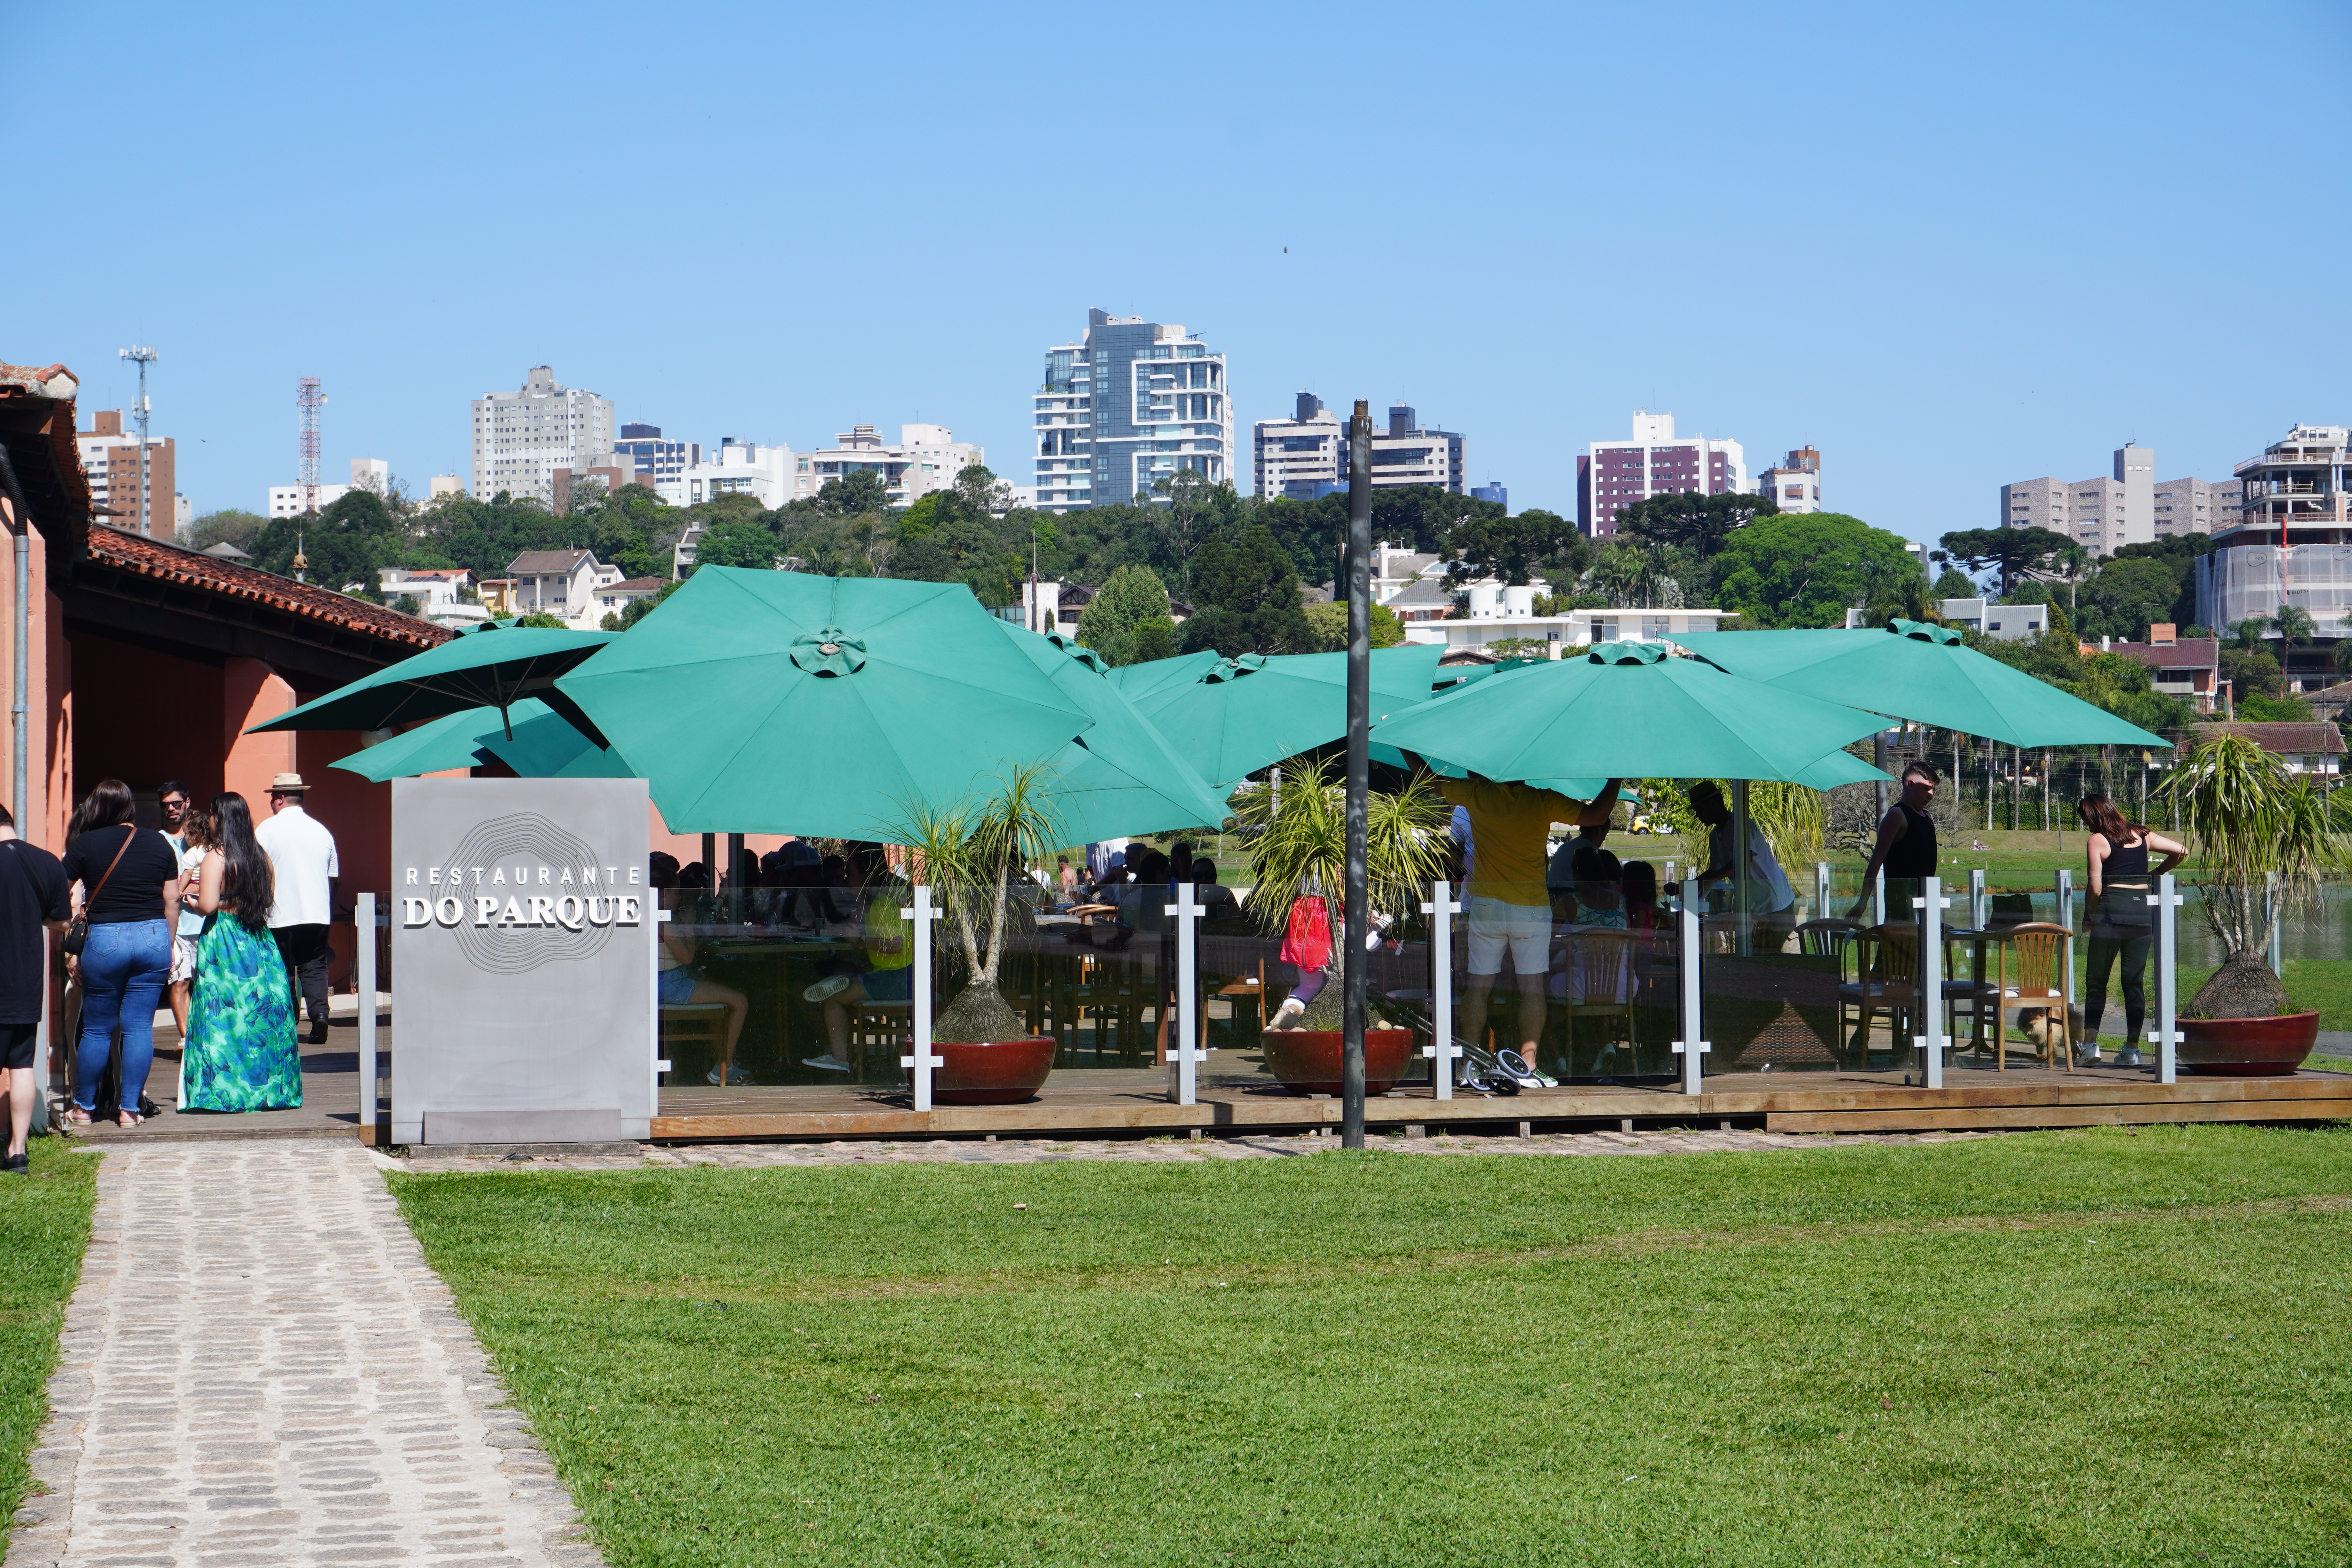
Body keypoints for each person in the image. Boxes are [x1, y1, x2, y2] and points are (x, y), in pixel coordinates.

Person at [1403, 758, 1620, 1064]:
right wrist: (1617, 776)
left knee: (1478, 987)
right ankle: (1528, 1062)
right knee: (1532, 989)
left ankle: (1470, 1061)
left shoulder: (1478, 795)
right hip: (1530, 906)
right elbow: (1597, 815)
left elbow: (1429, 782)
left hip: (1487, 904)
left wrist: (1408, 748)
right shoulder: (1542, 800)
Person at [58, 779, 181, 1127]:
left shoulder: (86, 845)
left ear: (97, 808)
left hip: (105, 939)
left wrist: (70, 940)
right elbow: (171, 900)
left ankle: (83, 1108)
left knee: (97, 1029)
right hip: (152, 936)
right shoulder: (160, 844)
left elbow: (59, 894)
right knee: (139, 1027)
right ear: (129, 807)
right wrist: (168, 944)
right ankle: (129, 1110)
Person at [181, 793, 303, 1111]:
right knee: (260, 1014)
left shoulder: (215, 857)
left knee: (222, 1015)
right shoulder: (261, 857)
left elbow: (207, 905)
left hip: (223, 940)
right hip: (258, 939)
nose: (209, 820)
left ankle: (224, 1090)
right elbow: (265, 900)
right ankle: (269, 1090)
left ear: (220, 818)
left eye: (212, 815)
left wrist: (193, 902)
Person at [2077, 793, 2186, 1067]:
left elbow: (2097, 887)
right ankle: (2132, 1049)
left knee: (2096, 981)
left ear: (2092, 817)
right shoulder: (2142, 834)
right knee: (2133, 983)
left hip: (2110, 914)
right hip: (2142, 915)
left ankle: (2090, 1046)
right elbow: (2181, 851)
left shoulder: (2098, 840)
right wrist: (2156, 874)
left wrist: (2088, 915)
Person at [0, 803, 69, 1171]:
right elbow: (60, 921)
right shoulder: (46, 862)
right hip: (27, 978)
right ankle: (18, 1150)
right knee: (21, 1064)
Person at [804, 843, 910, 1074]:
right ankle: (846, 980)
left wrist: (859, 940)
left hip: (898, 978)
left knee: (833, 1000)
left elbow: (896, 944)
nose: (846, 881)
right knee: (841, 974)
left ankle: (840, 1058)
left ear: (866, 875)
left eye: (850, 874)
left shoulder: (883, 904)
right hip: (894, 975)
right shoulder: (878, 902)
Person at [253, 773, 338, 1047]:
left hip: (279, 914)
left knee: (283, 970)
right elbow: (333, 877)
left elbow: (256, 874)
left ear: (279, 799)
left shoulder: (266, 830)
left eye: (271, 798)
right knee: (315, 966)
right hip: (317, 914)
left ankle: (288, 1023)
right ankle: (320, 1016)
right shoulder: (322, 831)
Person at [655, 885, 751, 1085]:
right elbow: (688, 958)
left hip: (657, 982)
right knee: (739, 1001)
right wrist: (689, 927)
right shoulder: (664, 921)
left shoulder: (644, 916)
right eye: (675, 891)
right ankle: (724, 1066)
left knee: (720, 999)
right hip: (669, 985)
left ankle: (724, 1060)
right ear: (662, 893)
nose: (679, 895)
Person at [1692, 781, 1797, 950]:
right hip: (1756, 906)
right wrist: (1690, 886)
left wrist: (1707, 882)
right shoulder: (1715, 835)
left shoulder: (1741, 825)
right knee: (1757, 959)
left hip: (1775, 903)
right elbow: (1715, 870)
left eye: (1700, 810)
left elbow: (1743, 860)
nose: (1698, 816)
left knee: (1773, 962)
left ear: (1713, 804)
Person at [1850, 763, 1940, 926]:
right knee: (1897, 950)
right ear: (1911, 785)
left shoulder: (1928, 817)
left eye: (1933, 790)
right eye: (1927, 789)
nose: (1931, 795)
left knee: (1924, 949)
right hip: (1901, 903)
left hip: (1926, 901)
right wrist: (1863, 902)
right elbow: (1877, 860)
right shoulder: (1897, 815)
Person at [160, 780, 210, 1045]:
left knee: (209, 984)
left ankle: (208, 1039)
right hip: (177, 925)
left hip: (209, 922)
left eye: (176, 804)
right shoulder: (159, 841)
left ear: (187, 803)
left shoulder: (207, 838)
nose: (171, 809)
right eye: (166, 805)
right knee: (179, 983)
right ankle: (188, 1039)